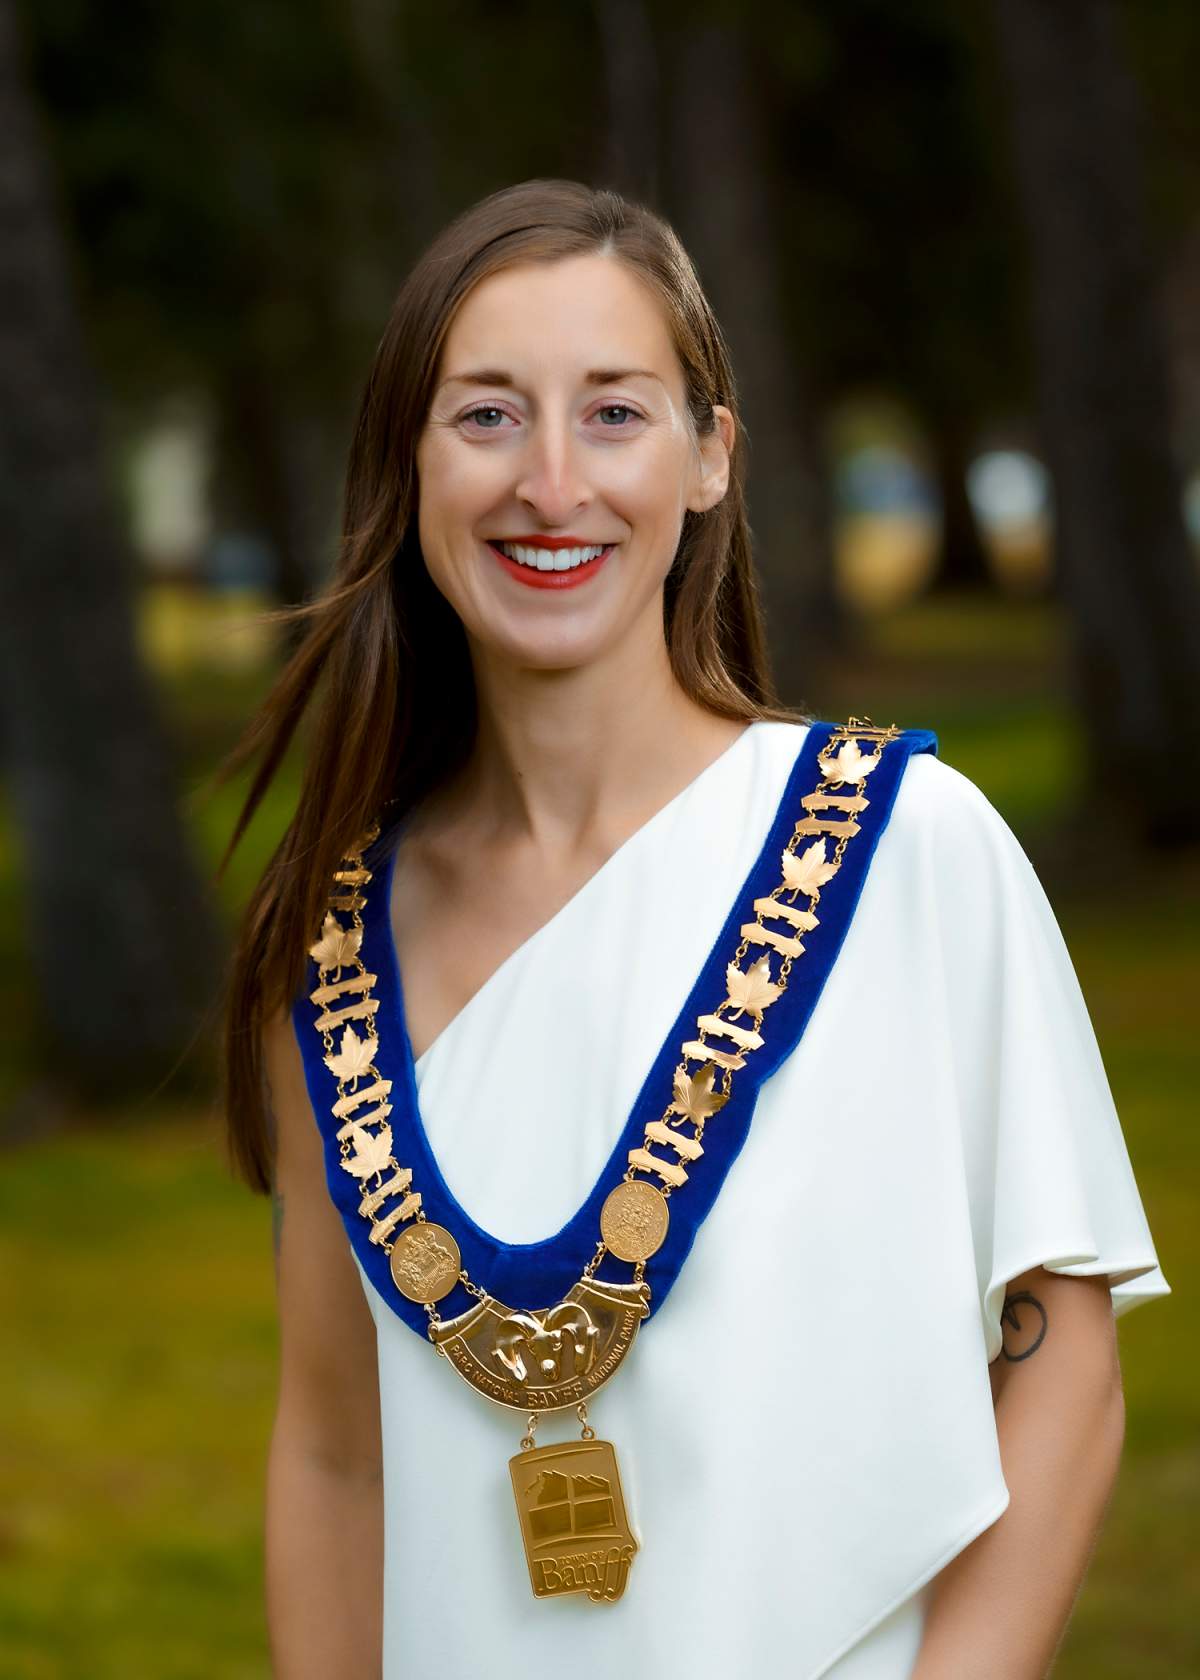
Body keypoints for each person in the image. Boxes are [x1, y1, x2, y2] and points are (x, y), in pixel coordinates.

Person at [216, 179, 1170, 1679]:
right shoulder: (327, 957)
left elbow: (1064, 1375)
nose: (549, 481)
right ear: (407, 466)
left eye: (614, 412)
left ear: (710, 458)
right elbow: (338, 1461)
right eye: (485, 416)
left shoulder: (910, 853)